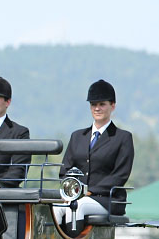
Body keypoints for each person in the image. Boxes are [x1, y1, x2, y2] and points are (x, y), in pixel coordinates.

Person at [53, 79, 134, 231]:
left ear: (112, 106)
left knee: (77, 206)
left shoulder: (122, 138)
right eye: (93, 104)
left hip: (107, 199)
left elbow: (120, 175)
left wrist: (89, 191)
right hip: (76, 196)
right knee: (54, 207)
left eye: (102, 104)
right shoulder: (77, 136)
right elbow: (65, 170)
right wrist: (70, 191)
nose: (97, 108)